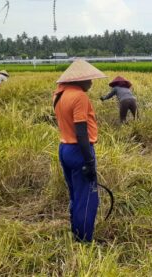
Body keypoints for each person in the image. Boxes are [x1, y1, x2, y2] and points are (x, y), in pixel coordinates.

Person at [53, 59, 106, 243]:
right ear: (79, 80)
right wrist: (90, 162)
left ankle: (76, 234)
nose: (91, 82)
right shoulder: (79, 97)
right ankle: (84, 242)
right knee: (88, 199)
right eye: (89, 79)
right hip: (79, 150)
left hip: (64, 148)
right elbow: (81, 132)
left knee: (75, 194)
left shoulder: (59, 94)